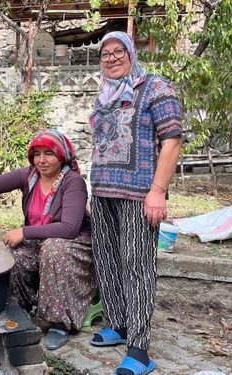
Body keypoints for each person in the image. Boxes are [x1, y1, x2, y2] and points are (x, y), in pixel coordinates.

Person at [0, 129, 94, 350]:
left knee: (54, 249)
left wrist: (24, 232)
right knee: (11, 255)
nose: (41, 160)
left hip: (73, 244)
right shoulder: (30, 176)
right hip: (41, 240)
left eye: (48, 154)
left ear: (61, 155)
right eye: (36, 154)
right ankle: (20, 307)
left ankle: (59, 323)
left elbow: (69, 228)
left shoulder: (73, 182)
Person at [88, 31, 182, 375]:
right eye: (105, 54)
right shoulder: (105, 94)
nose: (111, 58)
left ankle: (140, 349)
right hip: (103, 192)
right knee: (108, 260)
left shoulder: (156, 88)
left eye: (118, 52)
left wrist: (158, 190)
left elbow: (171, 141)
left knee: (138, 267)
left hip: (141, 194)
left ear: (130, 53)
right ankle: (119, 323)